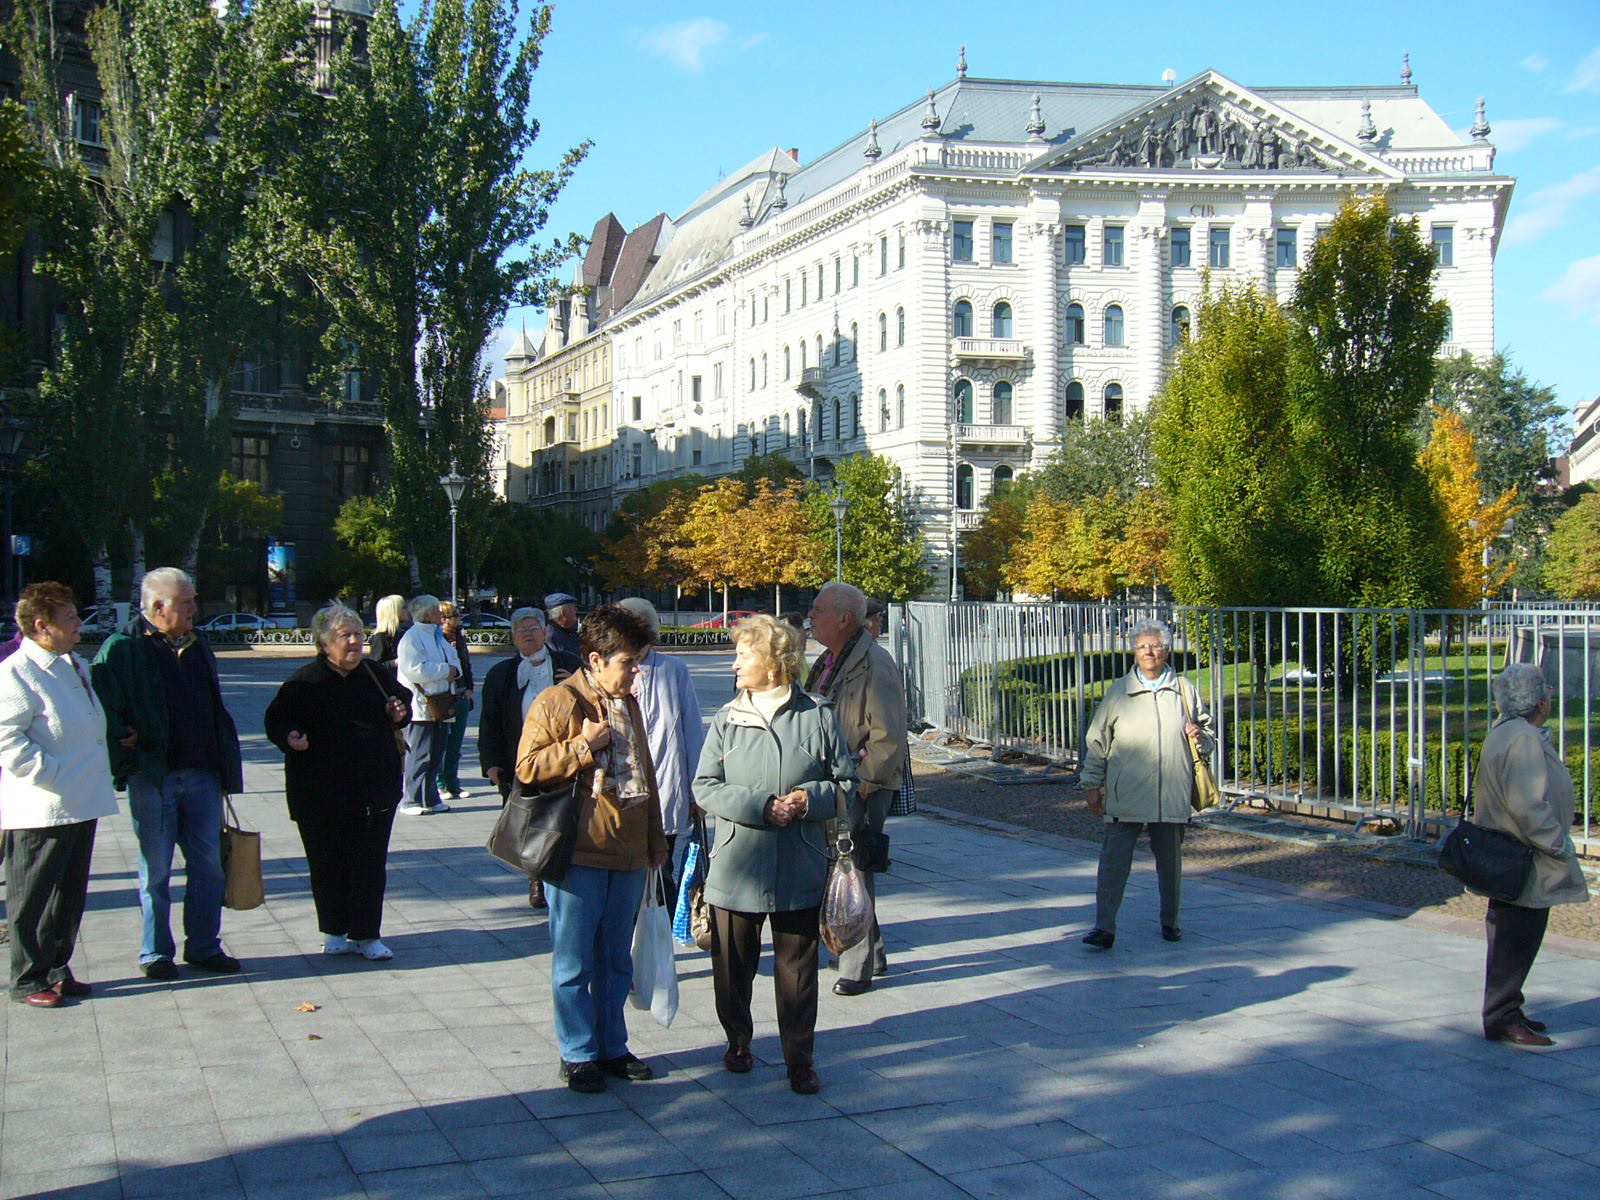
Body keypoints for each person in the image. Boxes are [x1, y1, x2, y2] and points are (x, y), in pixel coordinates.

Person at [695, 615, 856, 1094]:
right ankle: (738, 1040)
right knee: (732, 968)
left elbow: (847, 785)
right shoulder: (727, 718)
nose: (736, 662)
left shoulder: (818, 714)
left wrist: (811, 799)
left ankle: (799, 1058)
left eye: (745, 654)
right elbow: (704, 786)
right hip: (735, 867)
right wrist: (759, 806)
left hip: (799, 865)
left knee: (798, 973)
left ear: (774, 661)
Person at [517, 605, 667, 1093]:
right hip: (579, 851)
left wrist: (654, 840)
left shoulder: (630, 701)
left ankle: (612, 1047)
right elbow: (528, 767)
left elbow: (645, 774)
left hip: (626, 850)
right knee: (574, 960)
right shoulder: (559, 702)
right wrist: (583, 747)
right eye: (628, 662)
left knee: (616, 960)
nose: (636, 672)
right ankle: (577, 1052)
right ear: (597, 658)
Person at [91, 567, 245, 979]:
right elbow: (102, 707)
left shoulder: (198, 644)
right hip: (153, 777)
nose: (195, 607)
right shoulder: (121, 648)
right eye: (187, 601)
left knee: (209, 867)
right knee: (155, 871)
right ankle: (155, 953)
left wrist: (224, 765)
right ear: (159, 607)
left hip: (202, 775)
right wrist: (125, 741)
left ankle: (204, 946)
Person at [264, 604, 412, 962]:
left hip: (373, 789)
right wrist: (291, 736)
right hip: (319, 792)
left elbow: (401, 702)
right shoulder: (303, 682)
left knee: (369, 863)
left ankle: (367, 934)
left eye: (359, 635)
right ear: (325, 643)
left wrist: (398, 711)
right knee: (327, 862)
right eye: (345, 636)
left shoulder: (374, 674)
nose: (355, 642)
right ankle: (333, 930)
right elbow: (275, 720)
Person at [0, 584, 118, 1006]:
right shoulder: (16, 672)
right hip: (42, 805)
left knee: (67, 896)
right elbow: (7, 738)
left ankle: (56, 966)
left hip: (80, 800)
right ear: (40, 626)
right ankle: (28, 977)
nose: (78, 625)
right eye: (69, 619)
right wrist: (50, 773)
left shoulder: (70, 664)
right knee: (32, 895)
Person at [1470, 663, 1590, 1047]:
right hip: (1524, 854)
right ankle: (1502, 1015)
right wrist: (1556, 843)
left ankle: (1508, 1008)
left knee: (1513, 936)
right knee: (1515, 937)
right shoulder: (1521, 738)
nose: (1550, 699)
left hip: (1512, 852)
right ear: (1538, 700)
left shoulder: (1507, 732)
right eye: (1547, 693)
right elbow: (1528, 804)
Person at [1078, 619, 1213, 949]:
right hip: (1127, 795)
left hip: (1172, 793)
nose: (1149, 651)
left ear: (1167, 649)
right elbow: (1097, 740)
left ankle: (1171, 922)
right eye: (1142, 646)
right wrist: (1091, 785)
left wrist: (1202, 737)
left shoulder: (1184, 689)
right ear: (1134, 651)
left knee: (1170, 866)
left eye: (1155, 646)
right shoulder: (1119, 691)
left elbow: (1208, 736)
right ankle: (1104, 927)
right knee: (1113, 864)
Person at [805, 581, 907, 995]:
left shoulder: (875, 664)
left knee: (853, 869)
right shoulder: (831, 659)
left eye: (818, 610)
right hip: (833, 780)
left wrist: (865, 786)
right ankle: (872, 949)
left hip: (860, 785)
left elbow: (888, 737)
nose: (810, 616)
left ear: (844, 619)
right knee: (846, 867)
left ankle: (856, 966)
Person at [478, 606, 580, 907]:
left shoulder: (568, 663)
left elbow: (593, 700)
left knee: (564, 819)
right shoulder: (502, 674)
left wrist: (574, 682)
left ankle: (563, 878)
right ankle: (536, 880)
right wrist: (491, 762)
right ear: (513, 636)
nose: (527, 634)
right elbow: (490, 721)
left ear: (545, 632)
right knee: (527, 824)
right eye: (521, 630)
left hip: (565, 757)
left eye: (533, 628)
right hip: (520, 761)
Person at [617, 597, 705, 900]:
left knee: (661, 867)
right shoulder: (608, 670)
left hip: (665, 785)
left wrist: (698, 791)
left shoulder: (673, 670)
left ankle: (657, 933)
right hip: (621, 790)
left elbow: (692, 730)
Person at [395, 594, 460, 816]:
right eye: (435, 610)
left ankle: (430, 797)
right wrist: (445, 671)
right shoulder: (411, 638)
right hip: (421, 706)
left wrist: (454, 670)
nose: (440, 614)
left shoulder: (438, 636)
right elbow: (415, 669)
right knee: (419, 754)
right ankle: (410, 799)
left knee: (437, 752)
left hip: (442, 703)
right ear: (425, 613)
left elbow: (454, 658)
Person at [434, 601, 475, 802]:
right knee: (443, 742)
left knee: (456, 743)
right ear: (443, 620)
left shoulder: (459, 637)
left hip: (461, 694)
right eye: (454, 616)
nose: (458, 620)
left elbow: (466, 663)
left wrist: (469, 688)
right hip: (444, 696)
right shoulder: (437, 639)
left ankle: (453, 782)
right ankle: (440, 783)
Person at [368, 594, 408, 667]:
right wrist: (395, 662)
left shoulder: (404, 633)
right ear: (394, 612)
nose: (407, 610)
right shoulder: (381, 638)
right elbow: (374, 666)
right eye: (403, 607)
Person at [544, 592, 581, 660]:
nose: (576, 610)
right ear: (564, 613)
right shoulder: (552, 637)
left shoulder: (568, 631)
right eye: (574, 607)